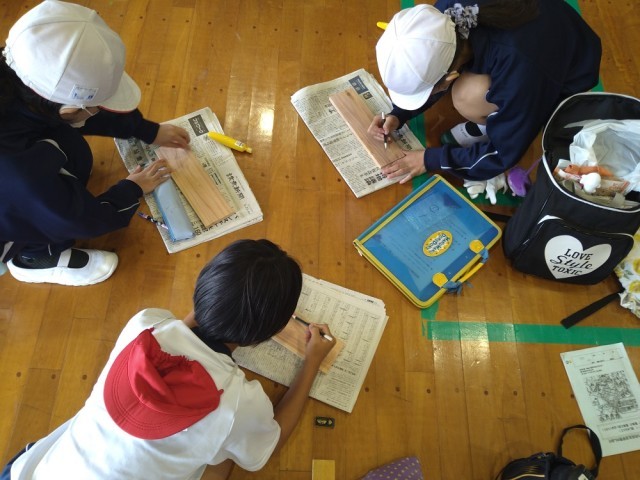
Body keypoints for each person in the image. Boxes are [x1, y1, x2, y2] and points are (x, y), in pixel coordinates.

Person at [1, 239, 336, 480]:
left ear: (204, 286)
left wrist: (215, 301)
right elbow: (267, 448)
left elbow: (183, 324)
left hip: (29, 471)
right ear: (265, 336)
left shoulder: (145, 324)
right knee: (225, 460)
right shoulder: (236, 403)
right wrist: (311, 363)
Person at [0, 0, 191, 286]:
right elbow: (79, 220)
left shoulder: (19, 75)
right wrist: (130, 190)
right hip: (8, 221)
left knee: (70, 149)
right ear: (68, 109)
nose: (100, 110)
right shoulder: (24, 179)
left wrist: (147, 131)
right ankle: (35, 257)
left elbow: (73, 112)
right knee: (37, 219)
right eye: (97, 106)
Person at [369, 0, 601, 187]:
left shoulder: (520, 72)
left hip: (568, 73)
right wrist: (399, 113)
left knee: (466, 98)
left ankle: (494, 122)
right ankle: (495, 118)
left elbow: (503, 153)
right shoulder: (437, 19)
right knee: (467, 93)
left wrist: (429, 159)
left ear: (450, 77)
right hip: (539, 32)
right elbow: (437, 67)